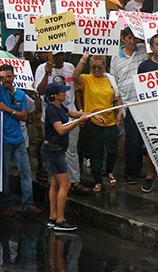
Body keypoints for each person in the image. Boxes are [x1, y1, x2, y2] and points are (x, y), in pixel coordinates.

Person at [34, 52, 92, 195]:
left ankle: (74, 181)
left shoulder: (70, 67)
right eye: (56, 56)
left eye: (61, 55)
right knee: (54, 151)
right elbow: (40, 91)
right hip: (51, 119)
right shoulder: (42, 68)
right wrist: (47, 75)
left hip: (69, 114)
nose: (59, 58)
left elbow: (75, 86)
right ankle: (54, 182)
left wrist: (81, 112)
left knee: (71, 150)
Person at [0, 64, 42, 216]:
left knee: (25, 172)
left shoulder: (20, 94)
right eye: (3, 77)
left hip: (19, 139)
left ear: (14, 77)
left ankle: (28, 203)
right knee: (5, 174)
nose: (6, 79)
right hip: (3, 139)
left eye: (9, 76)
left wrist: (8, 110)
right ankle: (7, 204)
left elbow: (25, 116)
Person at [42, 83, 93, 232]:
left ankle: (52, 216)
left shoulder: (60, 108)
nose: (65, 93)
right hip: (54, 150)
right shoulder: (51, 110)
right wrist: (79, 121)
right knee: (65, 184)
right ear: (56, 96)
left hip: (54, 149)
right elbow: (61, 130)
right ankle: (60, 219)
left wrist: (90, 114)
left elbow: (72, 113)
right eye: (62, 92)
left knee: (55, 184)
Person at [72, 53, 123, 193]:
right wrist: (83, 59)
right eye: (93, 67)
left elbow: (118, 96)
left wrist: (119, 112)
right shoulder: (87, 79)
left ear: (104, 67)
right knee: (96, 153)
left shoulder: (111, 80)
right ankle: (98, 180)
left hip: (110, 121)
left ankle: (109, 171)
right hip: (93, 121)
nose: (96, 70)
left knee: (112, 151)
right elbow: (75, 76)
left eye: (99, 67)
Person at [111, 28, 148, 184]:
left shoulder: (142, 50)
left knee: (142, 139)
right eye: (129, 38)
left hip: (144, 101)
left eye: (134, 38)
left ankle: (138, 169)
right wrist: (119, 107)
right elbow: (114, 82)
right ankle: (130, 172)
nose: (132, 41)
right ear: (123, 39)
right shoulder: (115, 57)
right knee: (132, 139)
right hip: (128, 103)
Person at [138, 33, 158, 192]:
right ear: (151, 48)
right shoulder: (144, 67)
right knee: (152, 144)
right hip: (151, 113)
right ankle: (150, 175)